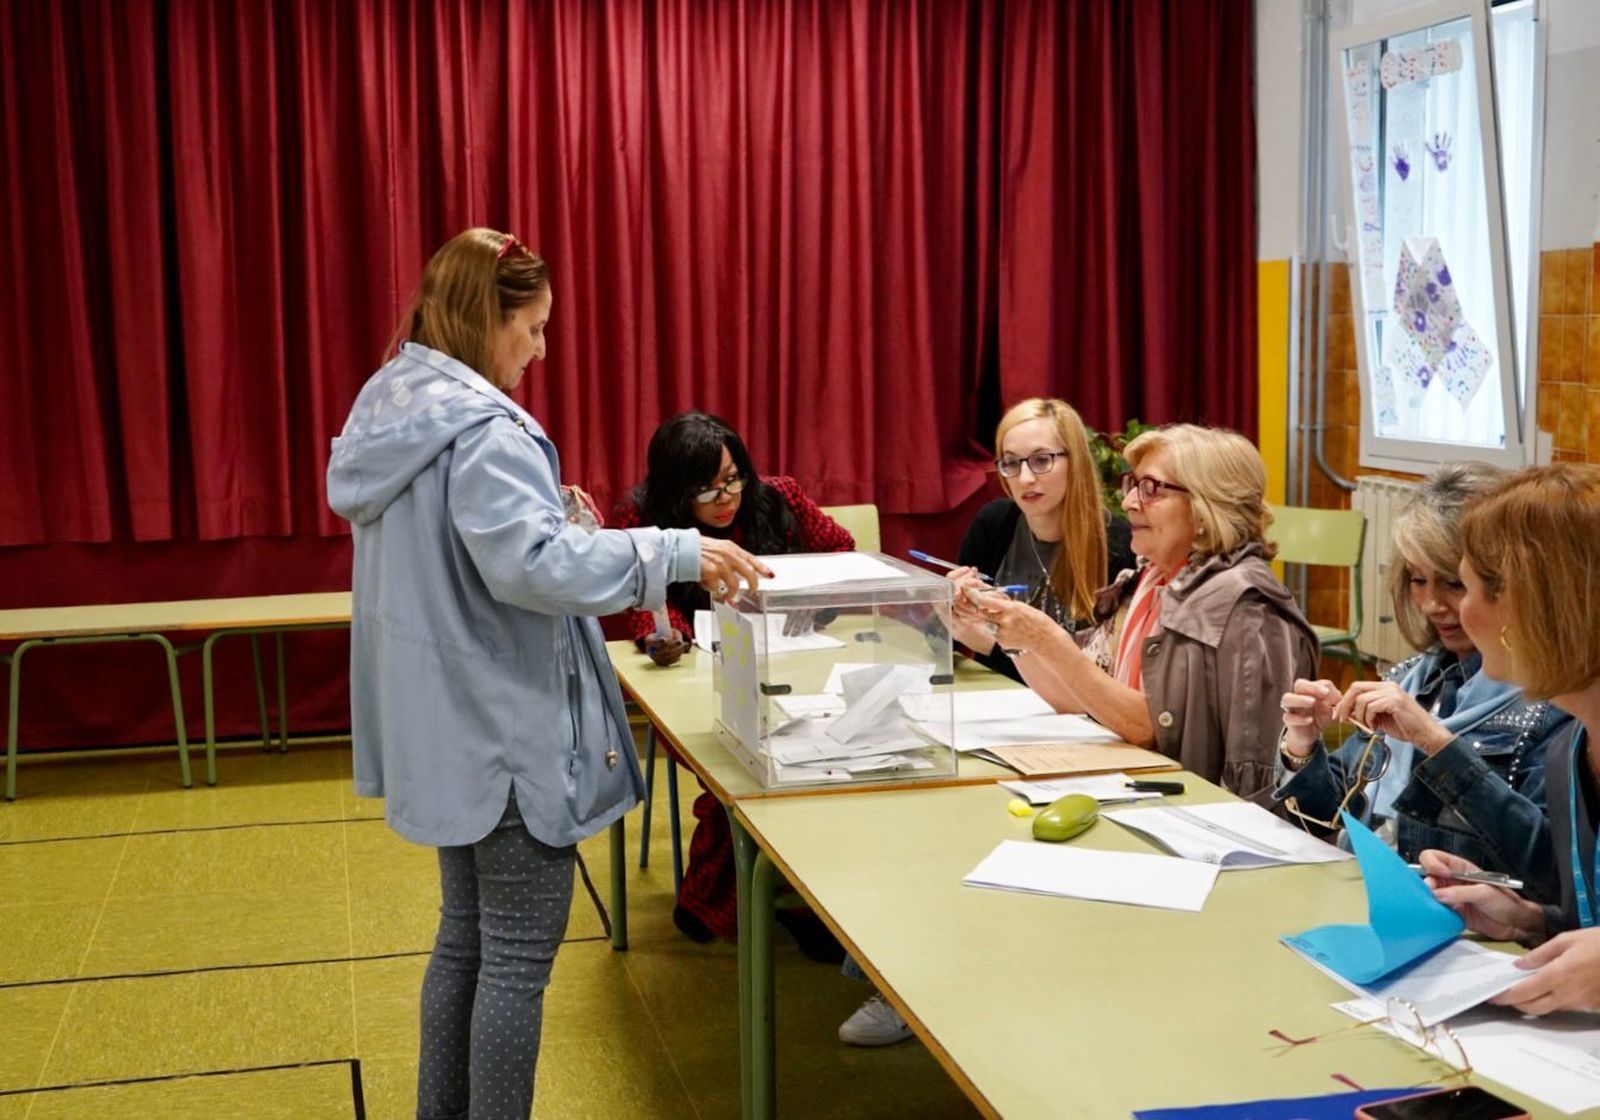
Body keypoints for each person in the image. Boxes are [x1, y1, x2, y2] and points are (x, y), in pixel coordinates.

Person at [326, 228, 767, 1120]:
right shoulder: (485, 429)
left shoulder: (396, 407)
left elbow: (481, 549)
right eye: (531, 328)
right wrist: (673, 550)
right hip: (507, 733)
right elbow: (527, 569)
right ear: (487, 320)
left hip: (448, 725)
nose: (539, 348)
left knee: (465, 943)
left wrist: (558, 522)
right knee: (518, 961)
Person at [959, 423, 1317, 802]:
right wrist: (1013, 633)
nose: (1129, 502)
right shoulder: (1151, 578)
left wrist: (1047, 638)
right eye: (1133, 485)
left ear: (1205, 508)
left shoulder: (1248, 608)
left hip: (1195, 820)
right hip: (1135, 793)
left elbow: (1252, 777)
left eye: (1151, 489)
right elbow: (1084, 698)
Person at [612, 410, 854, 955]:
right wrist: (663, 640)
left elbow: (843, 551)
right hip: (696, 680)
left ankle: (800, 898)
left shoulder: (779, 498)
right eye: (706, 489)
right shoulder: (641, 518)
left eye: (733, 479)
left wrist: (811, 602)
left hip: (796, 667)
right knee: (738, 767)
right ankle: (738, 896)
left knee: (823, 758)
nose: (726, 498)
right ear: (675, 492)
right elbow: (643, 605)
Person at [1274, 464, 1567, 900]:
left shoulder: (1559, 704)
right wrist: (1302, 747)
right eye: (1417, 579)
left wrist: (1436, 743)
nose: (1432, 604)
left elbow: (1551, 870)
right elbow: (1334, 815)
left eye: (1454, 583)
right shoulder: (1418, 677)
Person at [1419, 464, 1600, 1017]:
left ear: (1528, 605)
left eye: (1465, 586)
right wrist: (1527, 920)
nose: (1450, 610)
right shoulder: (1571, 748)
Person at [948, 398, 1133, 682]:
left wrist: (990, 644)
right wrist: (950, 611)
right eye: (1010, 463)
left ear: (1076, 462)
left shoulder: (1121, 546)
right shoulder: (993, 524)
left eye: (1041, 460)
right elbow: (945, 649)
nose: (1024, 478)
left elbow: (1097, 686)